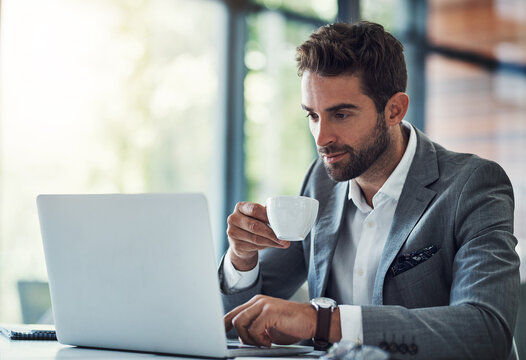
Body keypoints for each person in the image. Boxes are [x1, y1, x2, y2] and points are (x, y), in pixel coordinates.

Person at [219, 21, 520, 359]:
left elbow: (485, 330)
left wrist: (324, 322)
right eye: (313, 116)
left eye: (341, 114)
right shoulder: (322, 179)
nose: (321, 139)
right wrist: (242, 259)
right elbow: (238, 319)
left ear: (394, 110)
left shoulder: (473, 185)